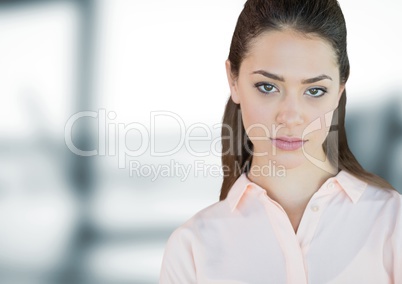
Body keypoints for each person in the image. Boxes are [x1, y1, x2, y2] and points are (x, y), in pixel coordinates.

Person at [159, 0, 402, 283]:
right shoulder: (191, 250)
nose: (290, 116)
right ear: (233, 80)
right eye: (268, 87)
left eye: (314, 90)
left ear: (339, 92)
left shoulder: (392, 224)